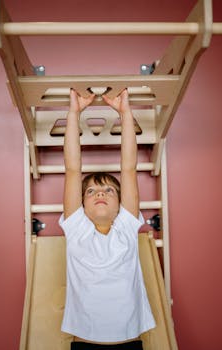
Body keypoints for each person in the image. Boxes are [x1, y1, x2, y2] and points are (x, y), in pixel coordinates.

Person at [59, 88, 155, 350]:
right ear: (81, 204)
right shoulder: (76, 227)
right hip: (86, 342)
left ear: (121, 204)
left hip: (128, 341)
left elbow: (128, 167)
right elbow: (72, 169)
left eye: (108, 190)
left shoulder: (126, 225)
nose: (100, 192)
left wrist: (125, 113)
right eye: (90, 191)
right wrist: (74, 112)